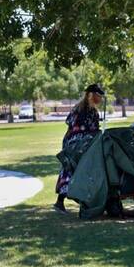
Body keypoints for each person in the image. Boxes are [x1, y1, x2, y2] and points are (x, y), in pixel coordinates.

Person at [54, 83, 105, 214]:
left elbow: (70, 125)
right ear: (91, 95)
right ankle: (68, 201)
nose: (100, 99)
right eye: (98, 95)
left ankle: (63, 201)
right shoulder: (87, 111)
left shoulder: (80, 109)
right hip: (80, 145)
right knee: (79, 170)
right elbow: (90, 129)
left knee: (72, 170)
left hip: (73, 143)